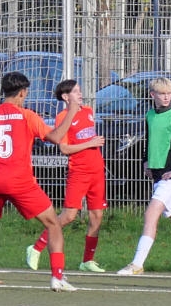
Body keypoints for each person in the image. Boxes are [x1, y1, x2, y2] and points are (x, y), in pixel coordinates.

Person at [0, 71, 79, 291]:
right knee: (53, 224)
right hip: (20, 181)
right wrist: (72, 111)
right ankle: (57, 277)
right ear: (22, 93)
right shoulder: (27, 116)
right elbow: (56, 138)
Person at [116, 76, 171, 276]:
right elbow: (149, 140)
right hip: (158, 176)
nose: (166, 97)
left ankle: (137, 264)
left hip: (170, 177)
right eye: (162, 94)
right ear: (152, 95)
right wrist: (145, 161)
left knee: (151, 214)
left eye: (169, 93)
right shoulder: (150, 115)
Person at [25, 79, 108, 273]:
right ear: (65, 97)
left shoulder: (88, 111)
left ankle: (87, 261)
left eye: (80, 90)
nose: (80, 94)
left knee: (97, 215)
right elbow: (64, 148)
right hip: (79, 172)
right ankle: (36, 248)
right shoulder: (62, 117)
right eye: (76, 91)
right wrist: (90, 143)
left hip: (97, 170)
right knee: (69, 215)